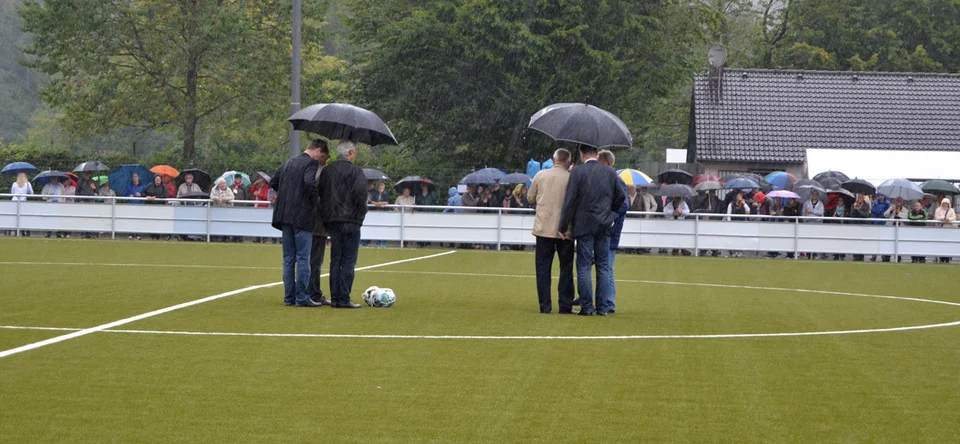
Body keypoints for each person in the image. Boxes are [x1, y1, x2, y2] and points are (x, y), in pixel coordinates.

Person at [557, 145, 625, 316]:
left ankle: (587, 307)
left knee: (584, 266)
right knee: (603, 266)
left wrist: (563, 226)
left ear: (582, 154)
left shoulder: (577, 172)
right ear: (596, 153)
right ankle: (602, 308)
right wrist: (611, 213)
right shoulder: (610, 172)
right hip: (604, 224)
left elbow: (569, 201)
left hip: (583, 224)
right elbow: (621, 196)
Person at [270, 139, 326, 307]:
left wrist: (288, 192)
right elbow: (309, 182)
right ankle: (301, 297)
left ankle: (289, 297)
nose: (320, 160)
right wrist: (316, 197)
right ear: (318, 149)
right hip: (302, 217)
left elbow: (273, 182)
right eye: (322, 155)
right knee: (303, 258)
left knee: (288, 258)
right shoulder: (311, 164)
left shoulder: (289, 162)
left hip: (284, 215)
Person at [317, 140, 368, 308]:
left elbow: (322, 195)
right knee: (348, 260)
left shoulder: (327, 171)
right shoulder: (356, 171)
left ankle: (335, 298)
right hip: (351, 220)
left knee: (335, 259)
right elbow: (361, 196)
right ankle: (344, 297)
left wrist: (326, 218)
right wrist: (360, 217)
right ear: (351, 153)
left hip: (333, 220)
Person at [528, 149, 575, 314]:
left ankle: (545, 305)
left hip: (543, 228)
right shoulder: (571, 178)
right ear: (568, 162)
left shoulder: (540, 175)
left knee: (543, 268)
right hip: (565, 229)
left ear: (554, 160)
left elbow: (530, 198)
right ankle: (565, 305)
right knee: (566, 268)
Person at [597, 149, 628, 313]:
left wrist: (607, 215)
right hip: (608, 229)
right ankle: (604, 299)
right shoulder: (610, 179)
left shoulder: (616, 180)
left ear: (608, 163)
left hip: (611, 231)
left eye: (599, 162)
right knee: (604, 267)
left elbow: (624, 204)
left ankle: (609, 302)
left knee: (607, 267)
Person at [308, 142, 333, 305]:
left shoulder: (306, 169)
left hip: (306, 222)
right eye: (325, 157)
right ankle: (314, 293)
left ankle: (305, 291)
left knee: (305, 259)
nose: (326, 161)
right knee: (315, 260)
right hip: (317, 224)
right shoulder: (319, 173)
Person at [726, 191, 751, 258]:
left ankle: (740, 251)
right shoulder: (731, 204)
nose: (740, 196)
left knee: (741, 238)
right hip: (734, 223)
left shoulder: (744, 203)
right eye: (739, 195)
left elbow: (748, 210)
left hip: (741, 223)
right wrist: (729, 223)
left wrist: (744, 204)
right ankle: (734, 251)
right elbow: (728, 214)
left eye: (741, 195)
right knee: (734, 238)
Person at [883, 197, 908, 262]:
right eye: (897, 200)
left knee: (898, 244)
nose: (898, 202)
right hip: (890, 227)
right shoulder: (891, 207)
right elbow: (885, 215)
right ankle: (886, 256)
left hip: (900, 229)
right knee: (888, 243)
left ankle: (897, 257)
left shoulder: (905, 210)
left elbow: (906, 217)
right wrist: (891, 210)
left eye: (900, 201)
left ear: (902, 202)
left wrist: (898, 213)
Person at [802, 191, 825, 259]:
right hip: (808, 223)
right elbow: (803, 212)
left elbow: (821, 212)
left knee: (815, 239)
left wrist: (812, 211)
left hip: (817, 224)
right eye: (813, 194)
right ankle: (808, 254)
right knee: (808, 239)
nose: (814, 195)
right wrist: (805, 220)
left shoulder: (820, 204)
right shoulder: (806, 203)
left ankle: (815, 254)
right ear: (811, 195)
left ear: (818, 195)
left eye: (816, 194)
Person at [143, 175, 168, 239]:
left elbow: (165, 195)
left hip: (159, 207)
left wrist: (156, 197)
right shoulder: (149, 185)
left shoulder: (163, 186)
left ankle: (157, 235)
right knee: (150, 221)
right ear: (154, 179)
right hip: (150, 206)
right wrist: (147, 196)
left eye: (159, 179)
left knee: (157, 221)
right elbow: (143, 193)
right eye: (156, 179)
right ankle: (151, 235)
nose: (157, 180)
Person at [933, 198, 957, 263]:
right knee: (941, 243)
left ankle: (947, 257)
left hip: (949, 229)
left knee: (948, 243)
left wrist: (948, 219)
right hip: (941, 229)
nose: (945, 204)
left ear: (948, 204)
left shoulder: (951, 210)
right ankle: (941, 257)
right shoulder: (938, 209)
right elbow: (936, 216)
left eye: (946, 203)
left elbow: (954, 217)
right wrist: (942, 218)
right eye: (944, 203)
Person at [10, 173, 33, 237]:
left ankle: (14, 231)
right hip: (23, 203)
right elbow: (32, 193)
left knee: (14, 217)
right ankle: (23, 232)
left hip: (14, 202)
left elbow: (12, 193)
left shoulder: (14, 184)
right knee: (23, 217)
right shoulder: (28, 184)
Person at [869, 194, 891, 261]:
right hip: (876, 223)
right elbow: (873, 210)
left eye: (882, 195)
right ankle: (874, 255)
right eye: (879, 195)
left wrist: (882, 214)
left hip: (884, 224)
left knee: (884, 240)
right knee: (875, 240)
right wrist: (881, 213)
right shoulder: (875, 202)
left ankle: (884, 256)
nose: (881, 197)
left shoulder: (887, 203)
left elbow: (888, 213)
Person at [125, 173, 147, 240]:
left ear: (138, 177)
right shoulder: (129, 186)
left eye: (136, 176)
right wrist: (129, 196)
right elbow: (125, 195)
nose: (135, 178)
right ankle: (131, 234)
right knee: (131, 219)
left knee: (139, 219)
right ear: (132, 178)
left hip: (140, 205)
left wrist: (141, 195)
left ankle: (138, 234)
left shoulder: (143, 186)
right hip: (131, 205)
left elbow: (146, 195)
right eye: (134, 177)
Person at [850, 194, 871, 261]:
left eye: (860, 197)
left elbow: (866, 215)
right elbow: (851, 215)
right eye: (858, 197)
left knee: (862, 241)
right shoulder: (854, 205)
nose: (859, 199)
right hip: (855, 226)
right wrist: (854, 209)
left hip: (863, 226)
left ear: (863, 198)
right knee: (855, 241)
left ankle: (861, 256)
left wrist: (858, 210)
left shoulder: (866, 205)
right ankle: (855, 256)